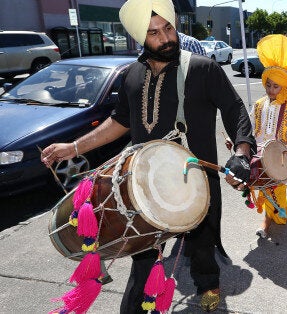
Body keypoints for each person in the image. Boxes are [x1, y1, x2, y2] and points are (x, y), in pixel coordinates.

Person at [41, 0, 256, 312]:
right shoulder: (130, 75)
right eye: (154, 33)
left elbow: (234, 109)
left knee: (201, 241)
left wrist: (242, 152)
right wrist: (73, 148)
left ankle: (208, 282)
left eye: (168, 28)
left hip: (196, 181)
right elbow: (119, 123)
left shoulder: (202, 68)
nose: (165, 37)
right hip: (143, 188)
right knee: (142, 260)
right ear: (140, 38)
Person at [249, 34, 287, 238]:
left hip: (283, 158)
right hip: (260, 157)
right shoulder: (258, 105)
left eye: (276, 86)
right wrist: (237, 142)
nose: (271, 90)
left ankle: (273, 217)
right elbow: (248, 128)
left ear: (284, 87)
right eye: (269, 85)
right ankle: (266, 222)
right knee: (264, 188)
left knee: (278, 191)